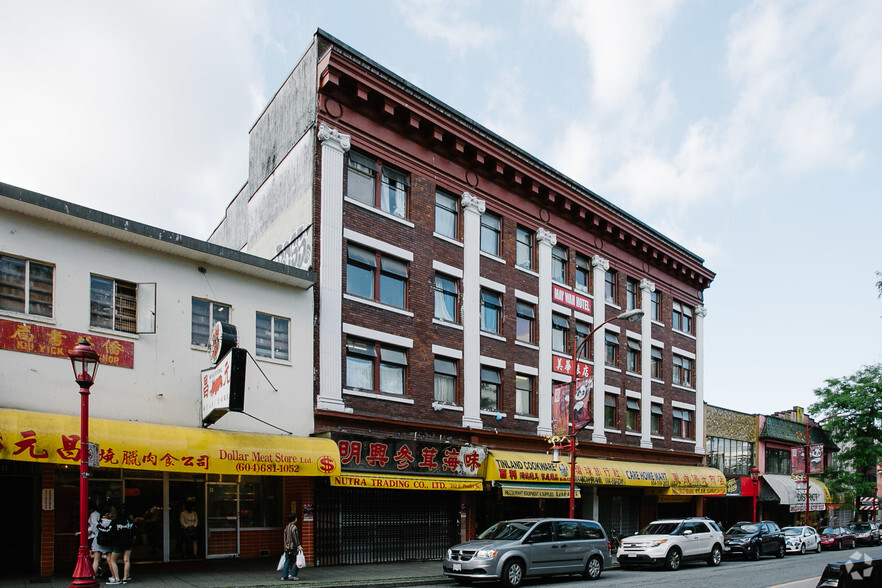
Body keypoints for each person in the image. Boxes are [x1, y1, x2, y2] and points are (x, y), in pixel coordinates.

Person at [107, 505, 136, 585]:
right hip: (128, 542)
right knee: (126, 560)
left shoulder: (115, 521)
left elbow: (110, 531)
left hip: (118, 543)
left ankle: (117, 578)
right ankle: (125, 578)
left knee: (113, 560)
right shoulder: (130, 522)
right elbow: (134, 533)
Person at [281, 513, 302, 581]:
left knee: (287, 561)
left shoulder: (286, 527)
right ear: (294, 519)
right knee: (297, 561)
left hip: (287, 547)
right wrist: (299, 545)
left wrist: (285, 546)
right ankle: (292, 575)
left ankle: (284, 576)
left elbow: (285, 538)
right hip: (293, 547)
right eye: (296, 518)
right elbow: (295, 538)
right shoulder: (294, 527)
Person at [87, 502, 104, 577]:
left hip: (92, 536)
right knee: (95, 555)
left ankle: (94, 571)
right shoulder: (97, 514)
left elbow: (94, 525)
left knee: (93, 555)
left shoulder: (93, 514)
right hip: (94, 535)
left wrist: (84, 531)